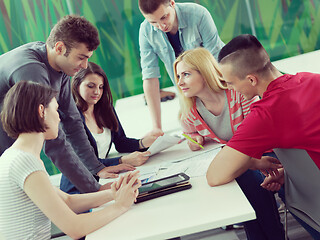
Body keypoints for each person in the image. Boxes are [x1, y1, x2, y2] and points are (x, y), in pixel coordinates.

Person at [0, 15, 131, 194]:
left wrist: (97, 168)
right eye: (81, 58)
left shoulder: (58, 66)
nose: (85, 66)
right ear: (60, 48)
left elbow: (72, 122)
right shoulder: (31, 70)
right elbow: (53, 140)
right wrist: (96, 189)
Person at [206, 34, 320, 238]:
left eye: (230, 83)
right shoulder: (312, 79)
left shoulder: (266, 114)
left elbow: (215, 176)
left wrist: (252, 163)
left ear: (251, 79)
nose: (230, 89)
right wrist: (290, 173)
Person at [0, 81, 141, 239]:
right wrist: (120, 206)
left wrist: (114, 193)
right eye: (55, 109)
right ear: (41, 111)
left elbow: (67, 201)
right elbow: (75, 228)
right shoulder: (25, 162)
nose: (59, 117)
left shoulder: (14, 156)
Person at [174, 47, 285, 240]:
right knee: (242, 178)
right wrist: (194, 140)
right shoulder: (190, 112)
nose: (180, 82)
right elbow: (189, 133)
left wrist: (250, 162)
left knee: (247, 178)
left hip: (267, 154)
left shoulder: (238, 93)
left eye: (186, 74)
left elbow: (257, 132)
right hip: (244, 160)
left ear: (205, 71)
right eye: (178, 76)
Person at [60, 62, 161, 194]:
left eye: (101, 87)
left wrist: (143, 142)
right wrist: (121, 160)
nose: (97, 92)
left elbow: (121, 143)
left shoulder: (105, 109)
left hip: (105, 178)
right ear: (76, 85)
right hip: (78, 186)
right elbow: (84, 161)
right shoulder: (71, 119)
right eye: (90, 86)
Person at [138, 0, 225, 136]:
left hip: (217, 82)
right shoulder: (145, 31)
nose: (160, 26)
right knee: (190, 129)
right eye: (153, 22)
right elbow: (150, 77)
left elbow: (216, 61)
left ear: (172, 3)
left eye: (163, 17)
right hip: (188, 93)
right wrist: (157, 127)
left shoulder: (198, 14)